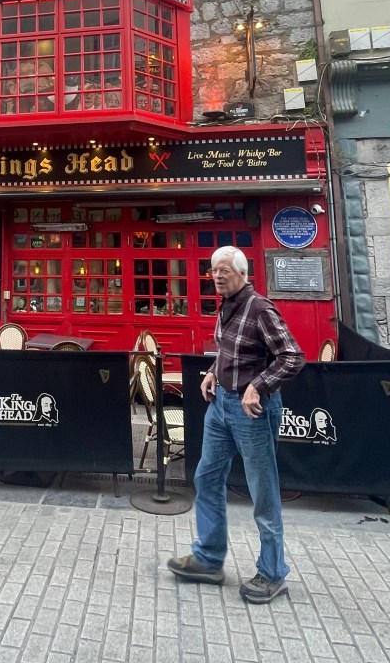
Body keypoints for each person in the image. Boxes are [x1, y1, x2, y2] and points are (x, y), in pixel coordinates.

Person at [168, 246, 304, 605]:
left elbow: (292, 356)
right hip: (221, 406)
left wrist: (258, 386)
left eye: (224, 269)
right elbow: (232, 351)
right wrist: (214, 372)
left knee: (262, 490)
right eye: (213, 269)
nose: (217, 275)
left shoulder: (259, 308)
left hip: (252, 412)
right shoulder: (225, 306)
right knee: (206, 477)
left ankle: (273, 573)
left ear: (243, 273)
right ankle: (209, 560)